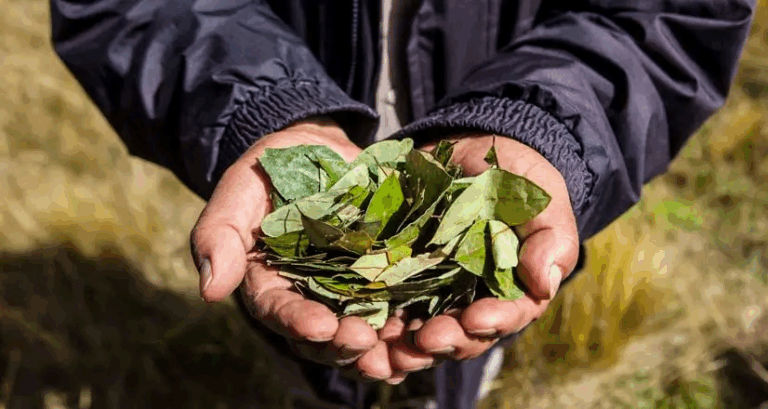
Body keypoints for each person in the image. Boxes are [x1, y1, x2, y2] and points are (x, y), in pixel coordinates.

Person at [50, 0, 755, 407]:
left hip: (473, 237)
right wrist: (263, 104)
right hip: (302, 278)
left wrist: (540, 120)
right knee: (317, 363)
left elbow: (671, 14)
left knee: (454, 359)